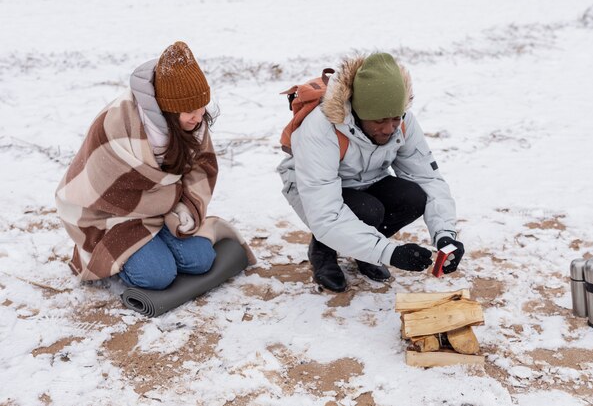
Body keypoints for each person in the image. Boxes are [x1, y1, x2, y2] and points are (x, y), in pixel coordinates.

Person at [56, 41, 255, 289]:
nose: (199, 115)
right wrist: (163, 198)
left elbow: (202, 169)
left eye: (202, 105)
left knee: (201, 261)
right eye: (190, 110)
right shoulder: (117, 123)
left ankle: (156, 241)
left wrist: (186, 207)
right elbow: (104, 190)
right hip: (113, 217)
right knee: (157, 276)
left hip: (164, 209)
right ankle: (117, 261)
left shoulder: (192, 123)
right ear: (168, 109)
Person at [277, 52, 465, 292]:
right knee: (368, 211)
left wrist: (445, 235)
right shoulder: (320, 129)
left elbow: (427, 178)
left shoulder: (403, 120)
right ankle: (323, 250)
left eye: (395, 118)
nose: (389, 129)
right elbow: (325, 213)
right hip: (312, 189)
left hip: (366, 178)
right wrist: (389, 252)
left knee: (414, 197)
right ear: (358, 113)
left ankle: (364, 249)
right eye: (379, 121)